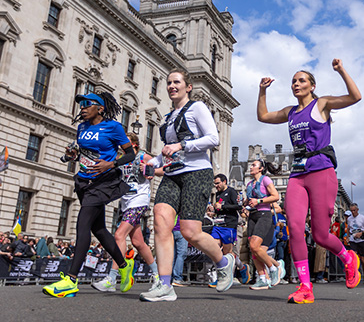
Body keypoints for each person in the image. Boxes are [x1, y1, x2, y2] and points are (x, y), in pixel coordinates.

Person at [257, 58, 362, 304]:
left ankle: (348, 259)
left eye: (301, 80)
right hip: (297, 173)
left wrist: (341, 70)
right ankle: (305, 286)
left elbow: (355, 96)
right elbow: (263, 115)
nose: (296, 83)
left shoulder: (321, 104)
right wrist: (262, 91)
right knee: (294, 227)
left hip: (321, 171)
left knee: (320, 235)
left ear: (311, 86)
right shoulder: (290, 112)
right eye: (293, 81)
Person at [139, 69, 235, 302]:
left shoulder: (197, 108)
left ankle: (224, 262)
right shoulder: (169, 117)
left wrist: (182, 146)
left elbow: (213, 139)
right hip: (172, 174)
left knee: (190, 232)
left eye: (177, 82)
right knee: (161, 220)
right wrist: (151, 163)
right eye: (169, 82)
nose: (172, 86)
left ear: (188, 87)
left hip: (197, 173)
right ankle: (164, 284)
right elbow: (166, 151)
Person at [43, 92, 136, 298]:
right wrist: (72, 155)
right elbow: (84, 153)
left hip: (103, 183)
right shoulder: (82, 127)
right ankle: (124, 265)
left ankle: (71, 280)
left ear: (100, 108)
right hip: (84, 181)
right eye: (80, 105)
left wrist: (112, 163)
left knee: (82, 224)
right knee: (100, 229)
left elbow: (131, 154)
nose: (82, 108)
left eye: (87, 104)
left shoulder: (114, 127)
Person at [92, 132, 162, 292]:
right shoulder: (121, 159)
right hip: (125, 203)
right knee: (138, 243)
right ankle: (158, 276)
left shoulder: (143, 157)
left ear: (134, 145)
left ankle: (111, 277)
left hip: (139, 201)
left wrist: (150, 171)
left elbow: (162, 170)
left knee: (119, 235)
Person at [244, 159, 285, 290]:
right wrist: (245, 204)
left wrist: (259, 200)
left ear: (260, 168)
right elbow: (249, 201)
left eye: (253, 165)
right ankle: (262, 278)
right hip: (252, 216)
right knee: (253, 249)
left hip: (264, 214)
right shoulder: (249, 184)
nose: (251, 167)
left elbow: (275, 196)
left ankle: (274, 268)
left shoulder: (265, 180)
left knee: (255, 246)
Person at [213, 173, 250, 285]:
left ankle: (241, 268)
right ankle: (220, 276)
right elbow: (219, 209)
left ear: (224, 181)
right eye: (215, 184)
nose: (216, 186)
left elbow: (238, 206)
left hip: (229, 225)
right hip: (218, 225)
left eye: (218, 183)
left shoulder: (232, 192)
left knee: (227, 253)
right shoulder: (217, 194)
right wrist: (213, 211)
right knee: (213, 250)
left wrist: (222, 207)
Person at [347, 203, 364, 284]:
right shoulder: (349, 219)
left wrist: (361, 233)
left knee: (363, 259)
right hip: (353, 240)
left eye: (354, 210)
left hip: (362, 240)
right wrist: (348, 237)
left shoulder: (362, 218)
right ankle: (354, 275)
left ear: (357, 210)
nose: (353, 212)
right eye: (351, 211)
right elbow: (348, 228)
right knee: (354, 257)